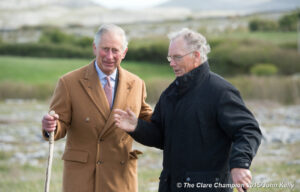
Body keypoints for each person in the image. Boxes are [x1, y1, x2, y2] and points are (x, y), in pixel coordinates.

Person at [114, 28, 262, 192]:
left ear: (196, 56)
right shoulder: (170, 94)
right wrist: (137, 126)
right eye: (170, 57)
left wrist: (240, 164)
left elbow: (248, 129)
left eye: (177, 57)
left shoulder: (220, 91)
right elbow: (161, 137)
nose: (171, 63)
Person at [41, 24, 152, 192]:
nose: (109, 56)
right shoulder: (69, 82)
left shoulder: (136, 83)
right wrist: (51, 126)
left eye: (115, 50)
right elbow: (60, 124)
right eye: (104, 49)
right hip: (82, 178)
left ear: (124, 52)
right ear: (94, 48)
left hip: (120, 176)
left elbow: (148, 121)